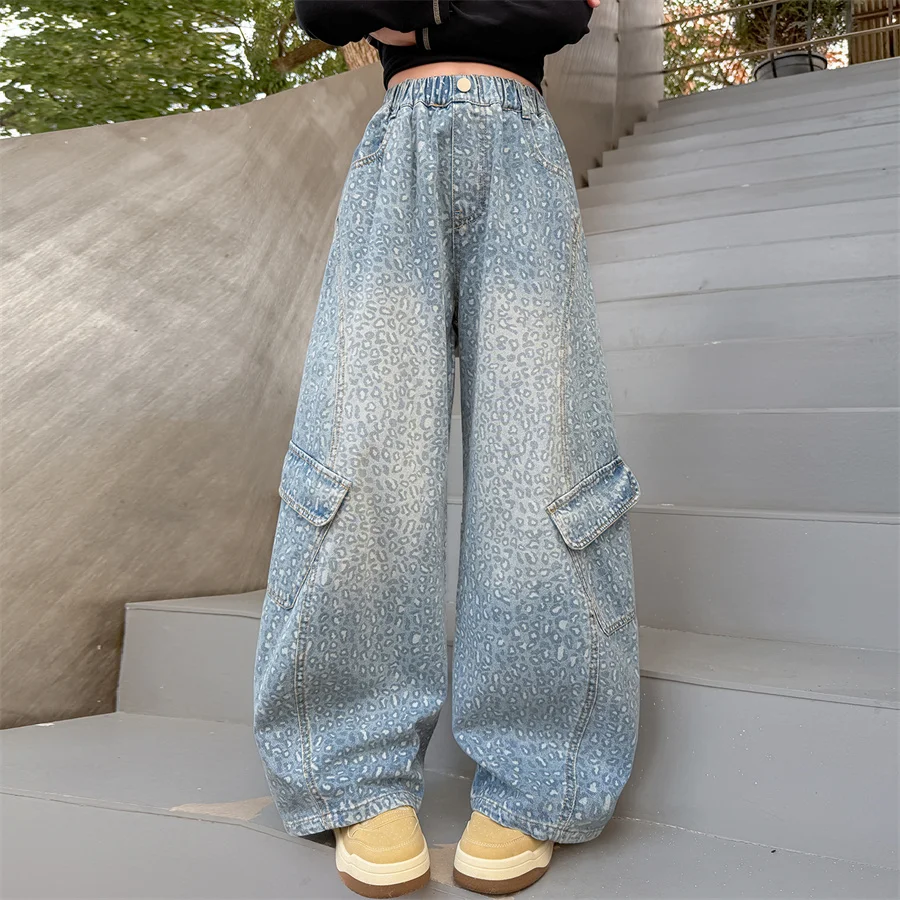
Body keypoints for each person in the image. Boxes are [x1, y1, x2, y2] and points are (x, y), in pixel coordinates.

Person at [252, 2, 642, 896]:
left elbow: (559, 14)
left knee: (542, 463)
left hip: (521, 151)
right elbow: (325, 9)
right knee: (364, 457)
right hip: (399, 151)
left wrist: (419, 17)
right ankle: (352, 762)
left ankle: (540, 766)